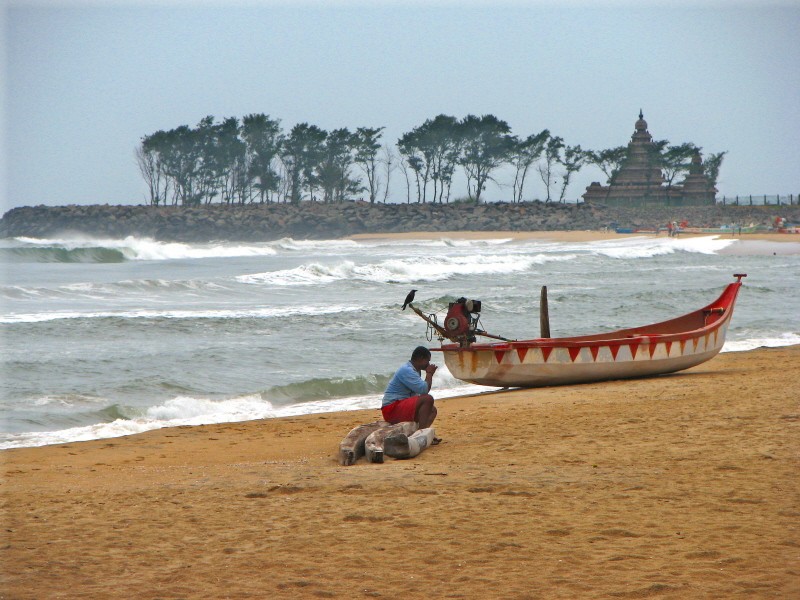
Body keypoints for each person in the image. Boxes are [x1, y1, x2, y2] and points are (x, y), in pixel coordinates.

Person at [381, 346, 438, 430]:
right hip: (391, 409)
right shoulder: (407, 370)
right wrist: (429, 373)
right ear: (421, 358)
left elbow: (419, 393)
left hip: (399, 405)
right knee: (428, 399)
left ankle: (423, 432)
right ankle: (421, 434)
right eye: (427, 361)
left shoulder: (415, 370)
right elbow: (424, 390)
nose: (428, 364)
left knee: (432, 410)